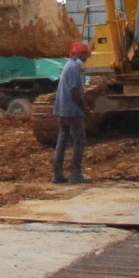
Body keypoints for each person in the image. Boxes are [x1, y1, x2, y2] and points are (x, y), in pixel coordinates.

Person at [52, 40, 90, 185]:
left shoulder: (68, 66)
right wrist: (84, 108)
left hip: (62, 110)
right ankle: (76, 174)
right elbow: (74, 92)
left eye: (86, 53)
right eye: (83, 53)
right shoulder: (74, 68)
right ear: (76, 53)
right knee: (79, 141)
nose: (86, 56)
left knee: (62, 141)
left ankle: (57, 174)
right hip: (73, 111)